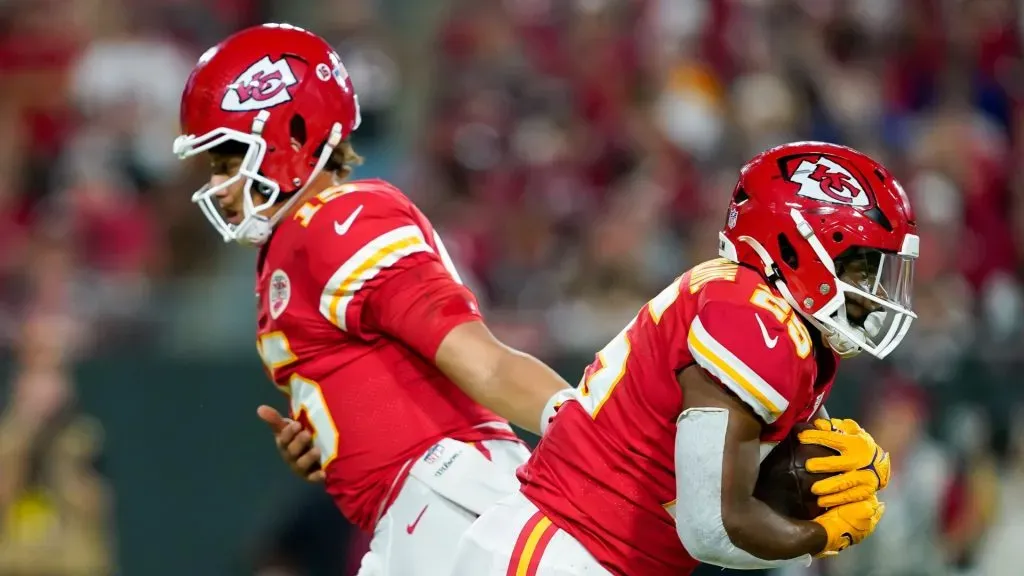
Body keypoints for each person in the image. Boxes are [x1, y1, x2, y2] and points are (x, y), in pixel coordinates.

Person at [173, 23, 573, 576]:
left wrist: (581, 427)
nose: (218, 183)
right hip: (421, 505)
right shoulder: (295, 243)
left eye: (226, 158)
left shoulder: (339, 222)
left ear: (291, 133)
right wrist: (330, 441)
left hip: (452, 498)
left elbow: (479, 358)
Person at [449, 141, 915, 575]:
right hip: (562, 549)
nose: (875, 293)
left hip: (592, 553)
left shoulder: (783, 326)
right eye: (862, 266)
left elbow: (755, 467)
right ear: (797, 246)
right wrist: (819, 535)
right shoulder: (751, 321)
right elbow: (711, 528)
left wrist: (829, 463)